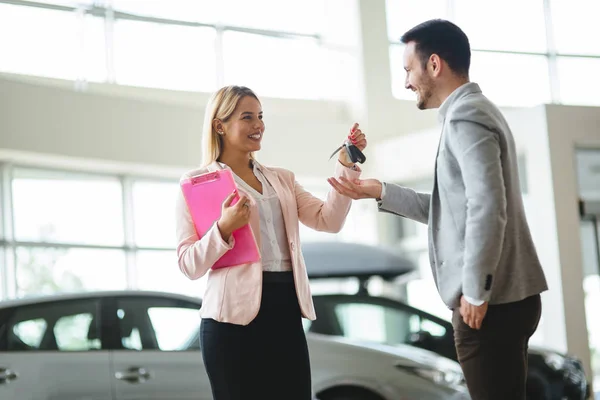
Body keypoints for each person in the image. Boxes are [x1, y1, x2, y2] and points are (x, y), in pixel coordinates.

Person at [327, 19, 548, 400]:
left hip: (491, 303)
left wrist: (476, 292)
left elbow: (486, 205)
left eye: (408, 70)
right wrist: (380, 191)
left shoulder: (466, 116)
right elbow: (454, 209)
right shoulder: (475, 110)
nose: (407, 82)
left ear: (433, 65)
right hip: (508, 300)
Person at [175, 85, 366, 400]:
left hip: (284, 308)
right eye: (247, 117)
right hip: (230, 321)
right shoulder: (196, 184)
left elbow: (328, 220)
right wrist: (223, 228)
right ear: (219, 125)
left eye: (260, 116)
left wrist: (345, 166)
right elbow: (188, 264)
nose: (258, 125)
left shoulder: (282, 180)